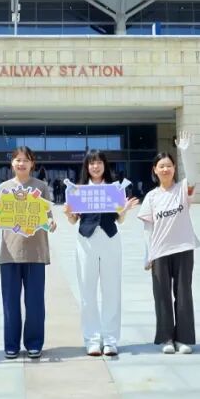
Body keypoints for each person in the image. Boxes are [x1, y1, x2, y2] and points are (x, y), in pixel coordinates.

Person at [64, 150, 139, 357]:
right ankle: (92, 339)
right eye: (91, 163)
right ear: (86, 167)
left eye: (99, 163)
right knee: (87, 292)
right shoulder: (78, 190)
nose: (95, 167)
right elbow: (73, 220)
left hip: (110, 240)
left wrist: (124, 211)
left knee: (111, 290)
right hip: (86, 241)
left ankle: (110, 339)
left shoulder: (115, 189)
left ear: (105, 165)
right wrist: (68, 213)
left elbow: (119, 219)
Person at [139, 143, 200, 354]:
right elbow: (148, 229)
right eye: (161, 166)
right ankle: (166, 338)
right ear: (155, 170)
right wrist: (148, 255)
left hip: (183, 248)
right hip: (159, 252)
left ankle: (183, 339)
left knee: (183, 294)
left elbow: (193, 176)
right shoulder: (151, 197)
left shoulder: (183, 189)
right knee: (162, 296)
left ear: (174, 168)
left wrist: (185, 151)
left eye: (169, 165)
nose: (165, 169)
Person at [0, 146, 56, 359]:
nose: (21, 163)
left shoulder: (41, 187)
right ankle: (11, 344)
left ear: (32, 164)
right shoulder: (3, 188)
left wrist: (51, 223)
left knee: (35, 302)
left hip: (35, 253)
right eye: (18, 160)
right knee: (10, 303)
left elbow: (48, 216)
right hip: (10, 253)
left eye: (26, 160)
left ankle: (34, 343)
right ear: (12, 163)